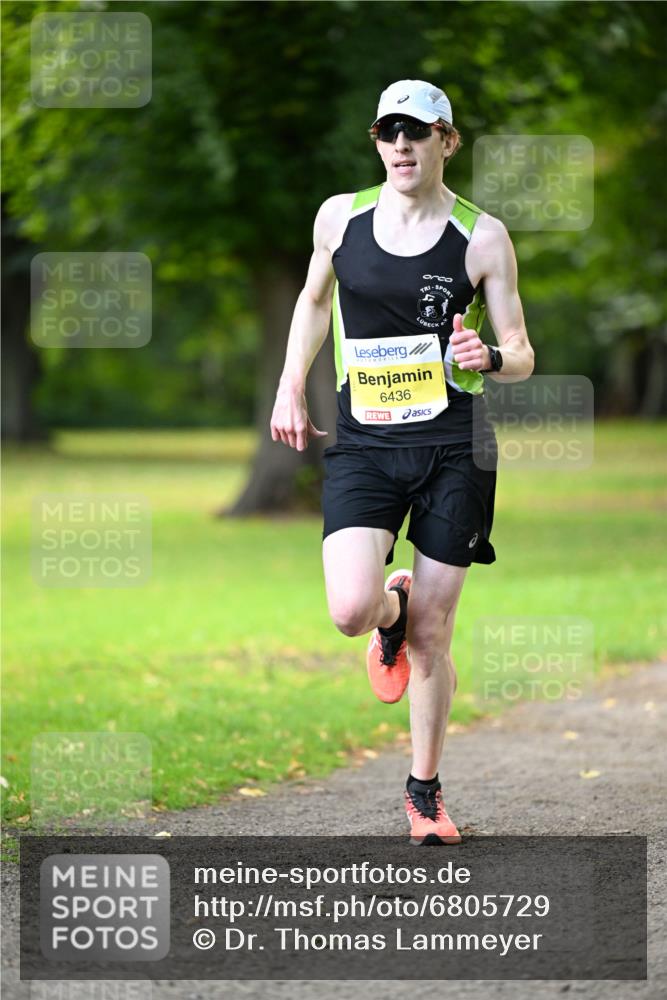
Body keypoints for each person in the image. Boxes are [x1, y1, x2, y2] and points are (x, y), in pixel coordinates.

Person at [270, 79, 534, 845]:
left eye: (418, 132)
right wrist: (291, 386)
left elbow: (519, 351)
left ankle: (423, 794)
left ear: (447, 141)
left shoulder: (481, 236)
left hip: (455, 446)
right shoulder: (339, 218)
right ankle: (389, 613)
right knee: (350, 611)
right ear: (376, 141)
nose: (401, 146)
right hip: (364, 444)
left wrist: (490, 354)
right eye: (389, 132)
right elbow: (315, 302)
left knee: (435, 634)